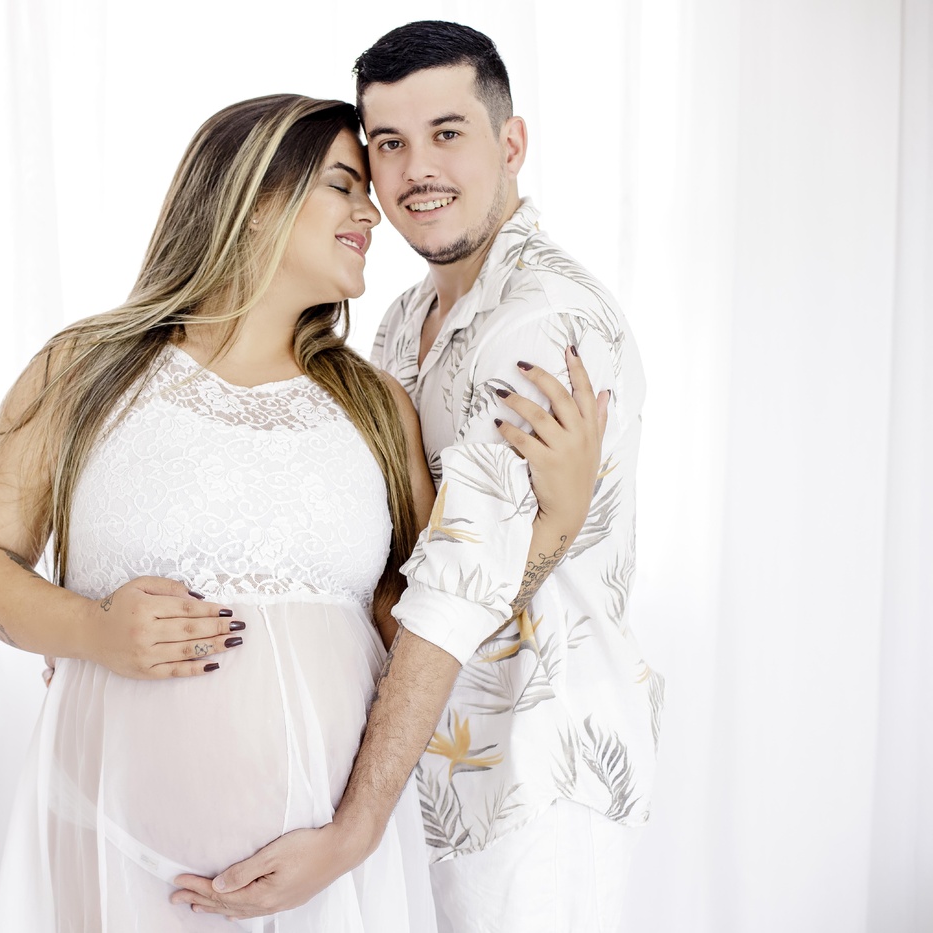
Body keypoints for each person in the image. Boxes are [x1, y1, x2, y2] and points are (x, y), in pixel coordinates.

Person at [0, 93, 602, 931]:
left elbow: (430, 623)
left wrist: (556, 524)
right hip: (110, 850)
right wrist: (92, 629)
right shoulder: (83, 370)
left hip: (324, 881)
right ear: (255, 200)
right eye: (344, 184)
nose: (372, 212)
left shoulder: (374, 405)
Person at [173, 22, 662, 933]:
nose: (415, 170)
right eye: (389, 143)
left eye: (447, 133)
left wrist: (352, 830)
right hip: (410, 774)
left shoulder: (545, 323)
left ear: (511, 144)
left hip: (526, 779)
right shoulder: (401, 319)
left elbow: (451, 590)